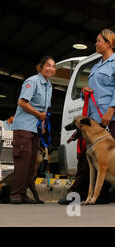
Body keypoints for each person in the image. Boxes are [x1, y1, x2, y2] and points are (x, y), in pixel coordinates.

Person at [59, 29, 115, 204]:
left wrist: (111, 111)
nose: (96, 43)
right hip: (92, 118)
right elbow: (92, 93)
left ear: (109, 43)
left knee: (103, 157)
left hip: (108, 117)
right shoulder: (97, 66)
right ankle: (95, 194)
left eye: (99, 41)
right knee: (88, 156)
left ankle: (84, 193)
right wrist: (84, 91)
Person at [9, 56, 55, 204]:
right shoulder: (32, 81)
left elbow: (44, 110)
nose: (51, 69)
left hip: (35, 129)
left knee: (31, 162)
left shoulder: (49, 86)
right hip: (24, 126)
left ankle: (23, 194)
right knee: (23, 159)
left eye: (53, 67)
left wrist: (42, 124)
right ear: (41, 67)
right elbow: (22, 102)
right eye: (48, 65)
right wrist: (38, 115)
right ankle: (16, 193)